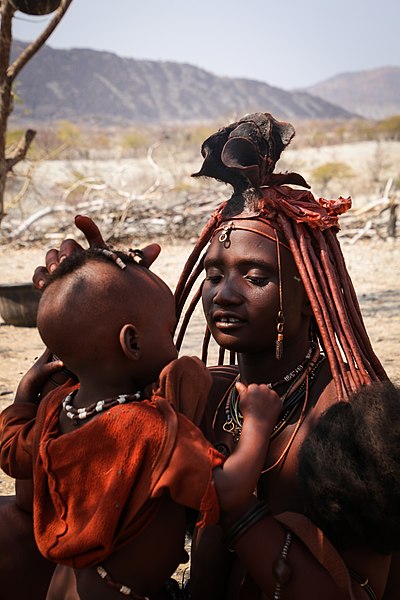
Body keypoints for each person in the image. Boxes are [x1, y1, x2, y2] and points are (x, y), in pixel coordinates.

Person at [4, 112, 397, 598]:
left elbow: (360, 590)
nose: (223, 295)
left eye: (255, 277)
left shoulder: (348, 419)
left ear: (309, 290)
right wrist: (88, 317)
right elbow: (38, 500)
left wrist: (240, 509)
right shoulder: (193, 393)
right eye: (213, 276)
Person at [0, 245, 282, 599]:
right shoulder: (147, 429)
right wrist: (257, 420)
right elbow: (227, 490)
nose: (173, 342)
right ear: (131, 341)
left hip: (64, 584)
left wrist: (27, 392)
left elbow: (12, 450)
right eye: (168, 330)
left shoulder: (58, 408)